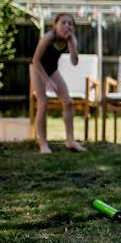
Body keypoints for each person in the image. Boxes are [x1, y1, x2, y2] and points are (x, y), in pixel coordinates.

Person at [31, 13, 87, 154]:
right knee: (43, 104)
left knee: (68, 102)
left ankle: (70, 140)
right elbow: (36, 60)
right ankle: (43, 144)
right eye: (63, 22)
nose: (67, 26)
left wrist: (70, 43)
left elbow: (74, 62)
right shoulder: (48, 38)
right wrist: (47, 80)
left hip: (52, 69)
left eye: (70, 23)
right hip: (38, 69)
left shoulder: (70, 39)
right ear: (55, 25)